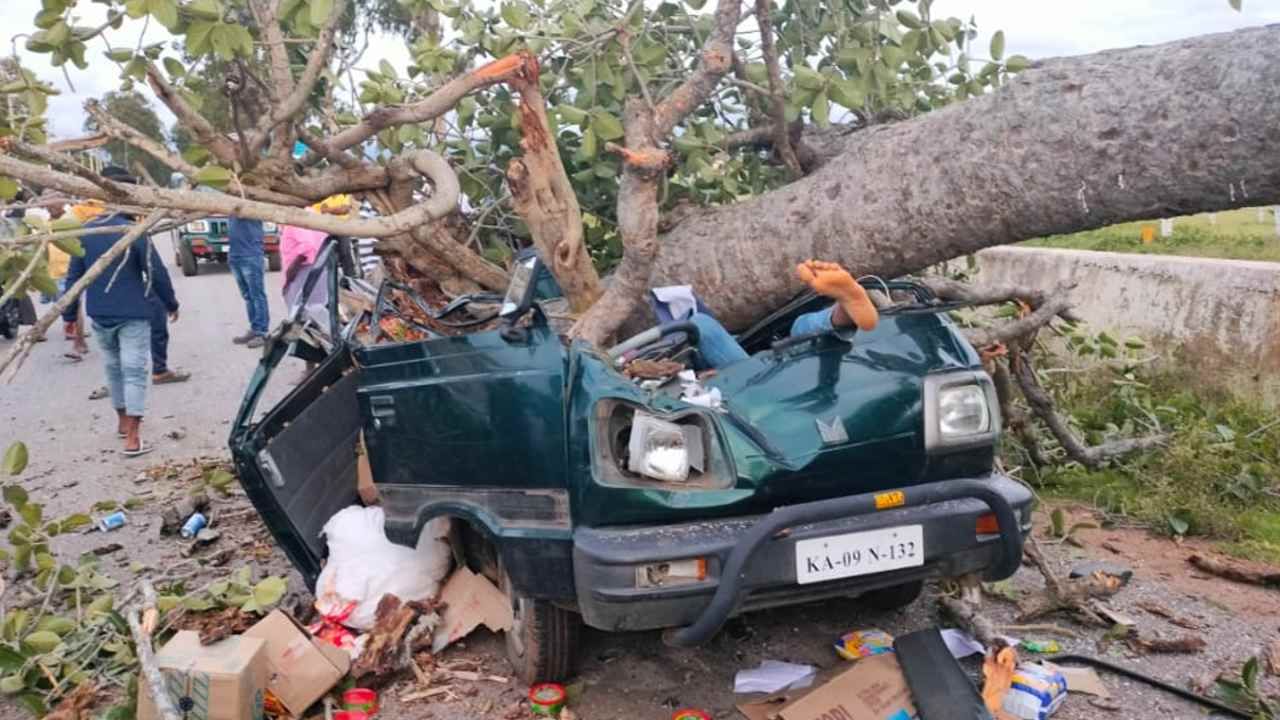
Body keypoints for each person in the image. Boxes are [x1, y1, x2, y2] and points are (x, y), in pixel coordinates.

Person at [62, 167, 180, 457]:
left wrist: (68, 316)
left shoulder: (88, 230)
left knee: (113, 368)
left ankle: (122, 422)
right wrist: (171, 303)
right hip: (133, 314)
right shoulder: (133, 232)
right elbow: (156, 273)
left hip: (100, 314)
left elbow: (74, 278)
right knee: (134, 371)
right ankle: (133, 437)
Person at [688, 260, 879, 370]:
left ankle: (843, 311)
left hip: (753, 380)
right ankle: (841, 314)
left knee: (699, 325)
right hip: (761, 382)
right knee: (801, 328)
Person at [227, 216, 270, 348]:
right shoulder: (230, 203)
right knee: (248, 296)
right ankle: (254, 328)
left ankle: (261, 332)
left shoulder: (251, 200)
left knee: (257, 295)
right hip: (235, 255)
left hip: (251, 255)